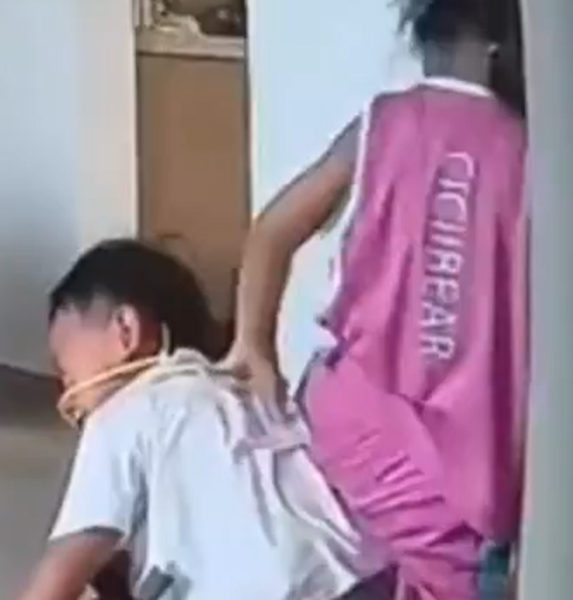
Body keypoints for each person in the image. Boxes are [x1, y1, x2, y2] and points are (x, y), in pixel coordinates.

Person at [220, 0, 528, 598]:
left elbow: (274, 228)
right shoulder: (527, 152)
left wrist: (252, 344)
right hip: (464, 454)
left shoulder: (382, 123)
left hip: (348, 413)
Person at [18, 239, 390, 600]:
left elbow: (61, 574)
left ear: (125, 330)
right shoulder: (247, 396)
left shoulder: (122, 414)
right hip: (370, 578)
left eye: (64, 365)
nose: (65, 384)